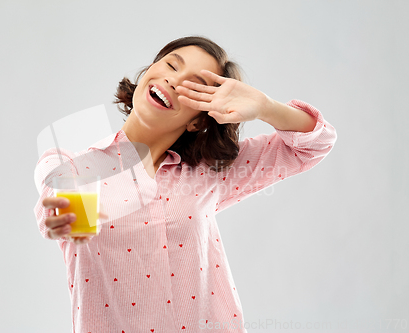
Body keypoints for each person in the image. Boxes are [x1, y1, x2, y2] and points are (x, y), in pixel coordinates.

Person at [34, 36, 337, 332]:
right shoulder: (72, 163)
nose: (173, 82)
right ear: (146, 76)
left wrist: (265, 107)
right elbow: (65, 213)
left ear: (199, 121)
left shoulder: (210, 172)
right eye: (171, 65)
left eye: (195, 86)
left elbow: (315, 143)